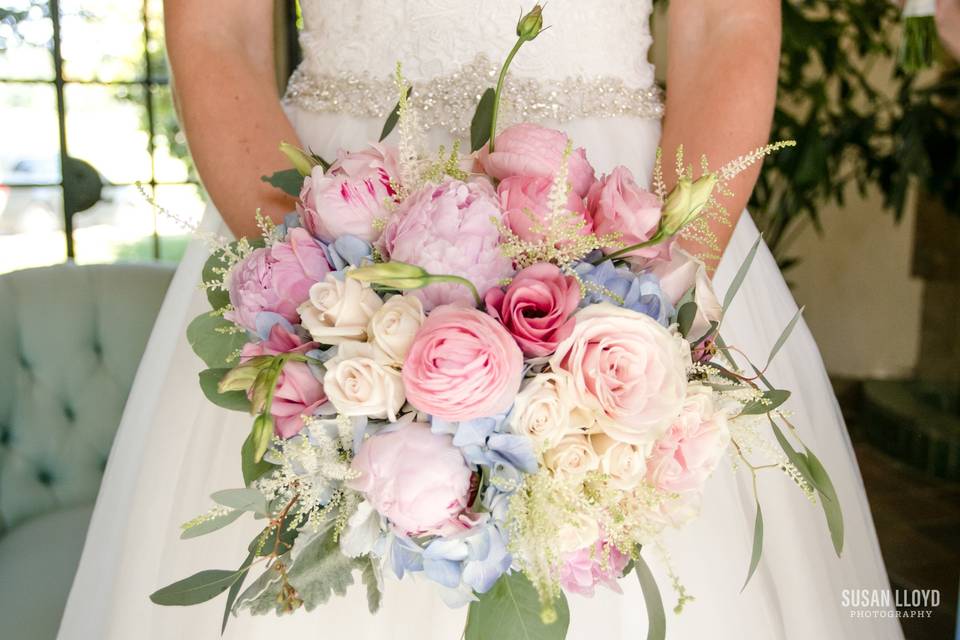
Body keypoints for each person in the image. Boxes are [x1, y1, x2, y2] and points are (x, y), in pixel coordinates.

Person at [57, 1, 903, 638]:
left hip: (614, 208)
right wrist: (318, 291)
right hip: (326, 192)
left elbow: (727, 25)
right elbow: (217, 35)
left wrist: (656, 297)